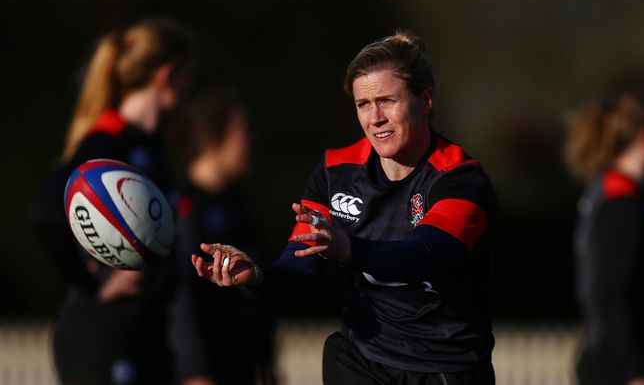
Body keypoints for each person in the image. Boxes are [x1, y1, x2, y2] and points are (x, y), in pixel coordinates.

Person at [192, 30, 497, 384]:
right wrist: (258, 275)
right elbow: (300, 267)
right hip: (362, 358)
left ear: (425, 100)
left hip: (443, 366)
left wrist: (348, 248)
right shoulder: (335, 171)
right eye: (363, 104)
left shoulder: (460, 179)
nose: (375, 118)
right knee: (339, 349)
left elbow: (424, 254)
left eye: (388, 100)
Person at [29, 19, 194, 385]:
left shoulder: (150, 146)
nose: (189, 88)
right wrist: (95, 284)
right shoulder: (107, 143)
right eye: (187, 77)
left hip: (146, 333)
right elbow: (44, 210)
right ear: (167, 75)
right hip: (104, 336)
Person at [565, 89, 644, 385]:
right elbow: (608, 292)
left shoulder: (623, 193)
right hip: (618, 369)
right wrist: (634, 369)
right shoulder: (620, 198)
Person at [168, 90, 278, 385]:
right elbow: (181, 297)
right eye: (242, 132)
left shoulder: (242, 206)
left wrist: (266, 360)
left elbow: (260, 292)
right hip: (205, 372)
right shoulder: (180, 206)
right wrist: (195, 372)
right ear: (213, 139)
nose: (251, 141)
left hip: (244, 369)